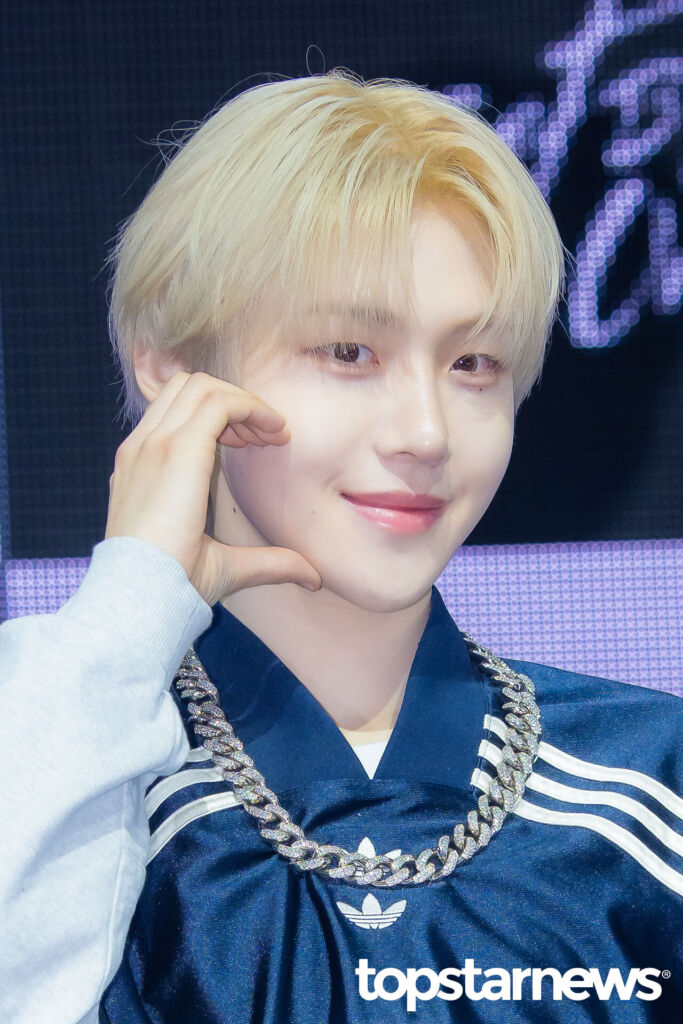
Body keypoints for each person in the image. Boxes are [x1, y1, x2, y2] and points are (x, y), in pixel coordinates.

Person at [0, 70, 680, 1024]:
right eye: (349, 353)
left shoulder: (650, 785)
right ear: (173, 365)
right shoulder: (72, 772)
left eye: (472, 363)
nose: (425, 433)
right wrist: (127, 608)